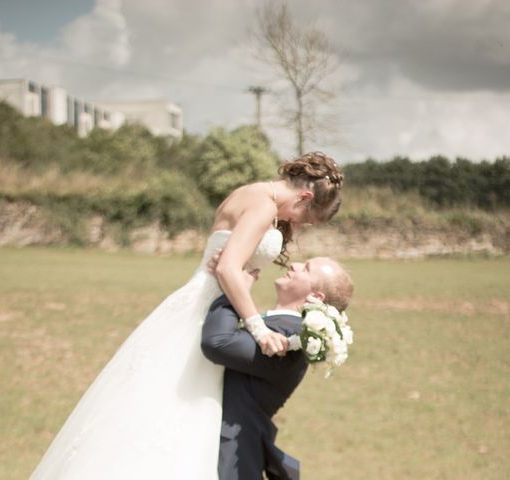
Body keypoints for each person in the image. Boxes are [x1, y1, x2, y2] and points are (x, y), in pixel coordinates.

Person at [29, 152, 344, 479]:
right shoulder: (264, 205)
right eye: (302, 218)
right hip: (202, 311)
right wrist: (258, 328)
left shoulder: (248, 192)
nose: (295, 224)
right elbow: (226, 268)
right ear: (305, 196)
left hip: (202, 305)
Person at [202, 257, 354, 480]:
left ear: (315, 297)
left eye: (307, 268)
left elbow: (218, 342)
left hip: (229, 458)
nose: (294, 265)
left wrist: (232, 287)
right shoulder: (275, 325)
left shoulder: (290, 339)